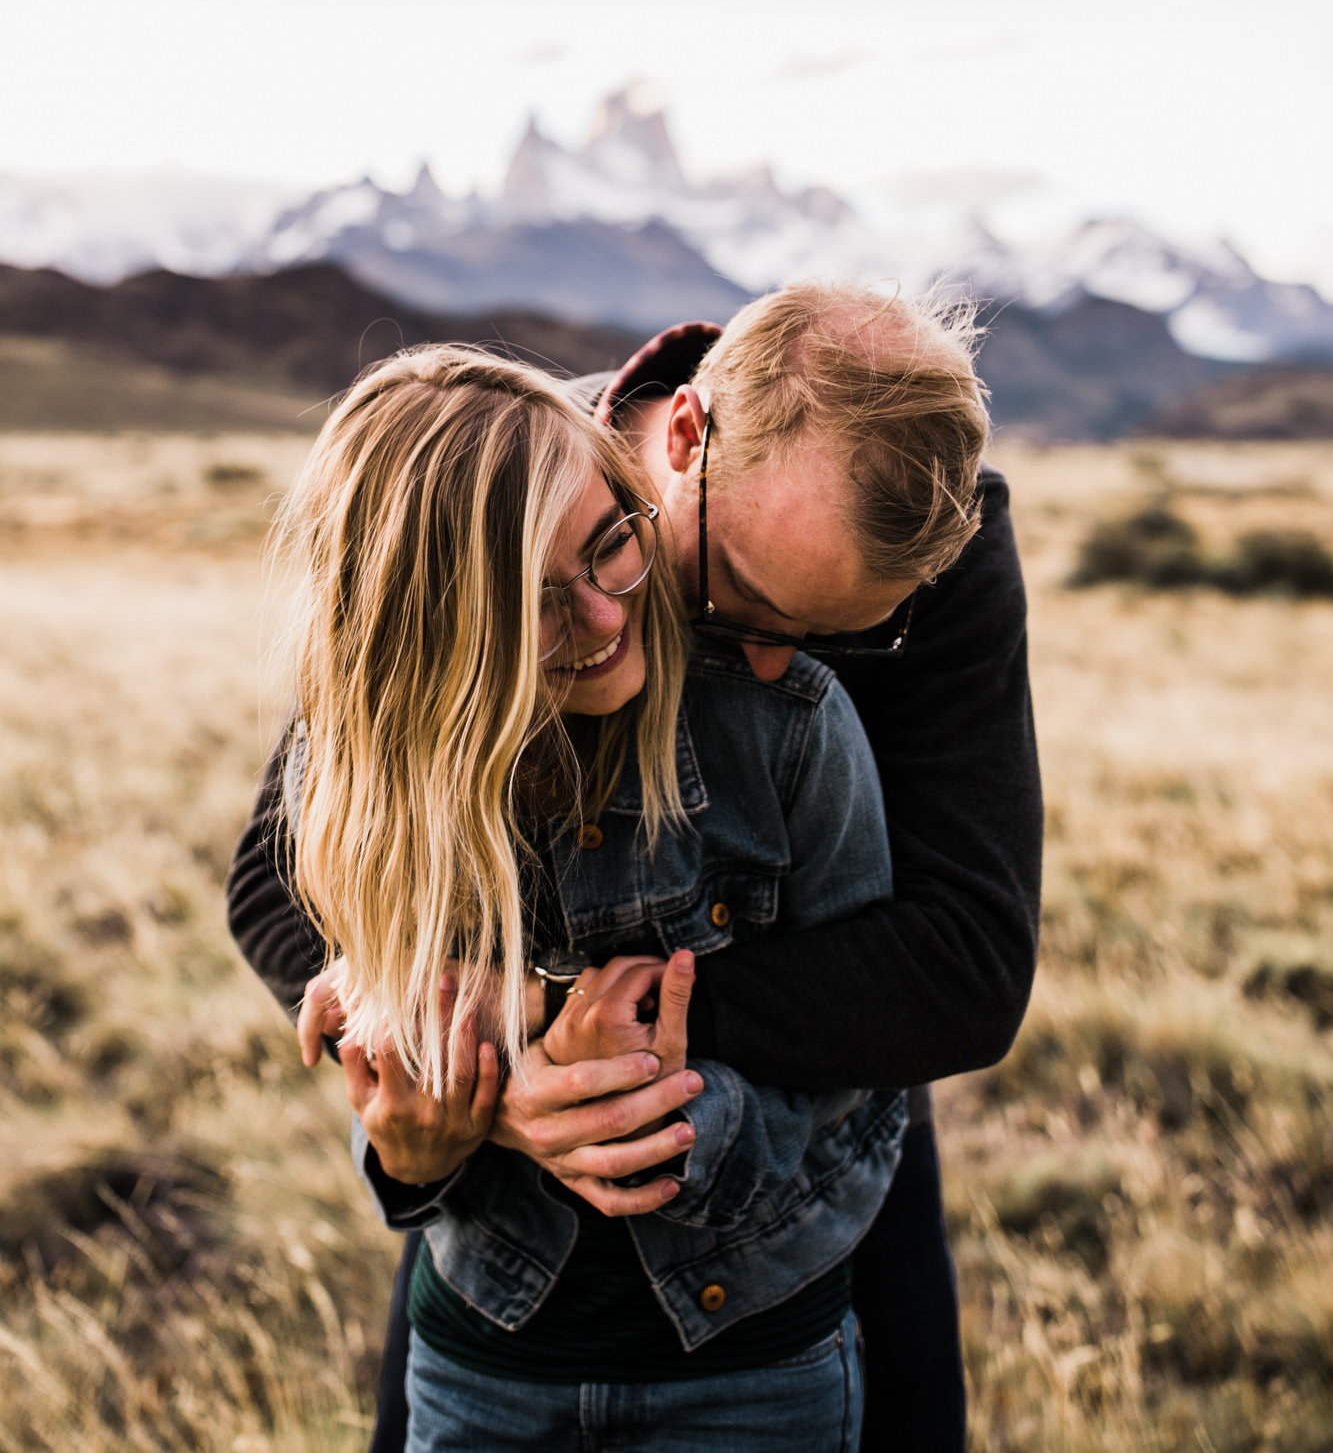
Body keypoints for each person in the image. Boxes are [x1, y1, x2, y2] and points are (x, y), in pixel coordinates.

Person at [228, 279, 1043, 1451]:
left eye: (843, 638)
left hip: (811, 1216)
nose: (775, 668)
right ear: (682, 438)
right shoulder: (496, 483)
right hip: (505, 1277)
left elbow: (966, 960)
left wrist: (587, 1038)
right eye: (745, 602)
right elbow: (280, 875)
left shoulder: (931, 528)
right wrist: (483, 1080)